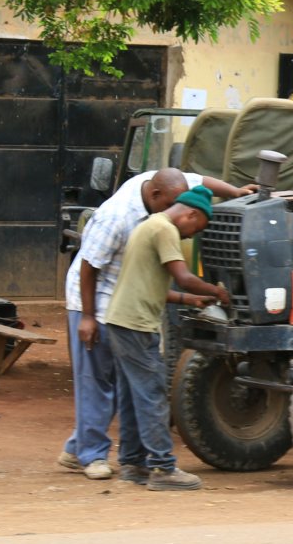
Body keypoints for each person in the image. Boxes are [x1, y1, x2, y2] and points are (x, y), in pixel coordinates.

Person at [57, 168, 250, 480]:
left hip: (121, 308)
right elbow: (89, 266)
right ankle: (109, 458)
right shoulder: (128, 219)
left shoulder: (160, 202)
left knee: (127, 389)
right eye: (195, 226)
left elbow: (199, 182)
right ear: (159, 197)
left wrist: (236, 191)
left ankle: (103, 454)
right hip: (96, 302)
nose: (191, 235)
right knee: (109, 384)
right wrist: (88, 317)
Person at [105, 185, 229, 491]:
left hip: (120, 319)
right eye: (195, 229)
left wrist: (189, 300)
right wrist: (217, 292)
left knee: (133, 395)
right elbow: (184, 278)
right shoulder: (165, 230)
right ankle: (162, 468)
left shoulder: (149, 225)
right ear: (191, 215)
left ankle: (132, 463)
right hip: (137, 324)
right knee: (152, 394)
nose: (190, 237)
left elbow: (150, 285)